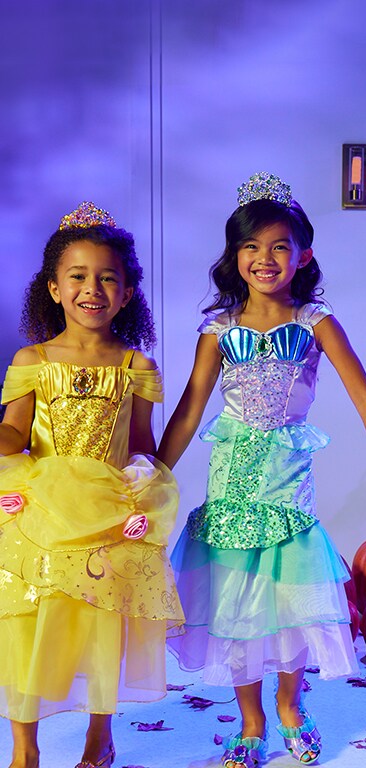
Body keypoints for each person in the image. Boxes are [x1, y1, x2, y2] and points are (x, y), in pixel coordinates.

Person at [158, 172, 366, 768]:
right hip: (232, 471)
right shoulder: (218, 328)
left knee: (288, 592)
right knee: (236, 593)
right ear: (234, 256)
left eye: (279, 246)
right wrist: (157, 468)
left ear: (303, 254)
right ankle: (251, 719)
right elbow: (190, 405)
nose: (265, 259)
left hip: (287, 472)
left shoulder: (315, 321)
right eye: (251, 248)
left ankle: (291, 705)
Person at [0, 202, 183, 768]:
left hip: (106, 506)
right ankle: (25, 748)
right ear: (53, 288)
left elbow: (141, 441)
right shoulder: (32, 359)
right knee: (29, 619)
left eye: (108, 278)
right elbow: (13, 426)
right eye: (77, 276)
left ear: (127, 293)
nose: (92, 289)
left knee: (105, 619)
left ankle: (98, 739)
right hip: (44, 503)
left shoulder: (136, 366)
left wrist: (145, 485)